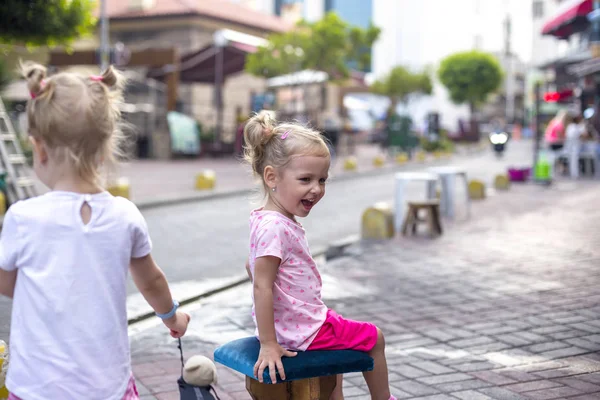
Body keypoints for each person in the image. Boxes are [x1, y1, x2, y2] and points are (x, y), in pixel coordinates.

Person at [0, 62, 190, 400]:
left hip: (36, 387)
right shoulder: (125, 215)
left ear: (38, 147)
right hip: (107, 386)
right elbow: (151, 280)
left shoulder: (22, 217)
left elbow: (6, 282)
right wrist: (172, 317)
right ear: (105, 148)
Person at [242, 111, 396, 400]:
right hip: (302, 331)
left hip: (295, 324)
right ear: (272, 176)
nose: (316, 189)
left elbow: (251, 267)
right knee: (375, 338)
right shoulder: (276, 226)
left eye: (322, 180)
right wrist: (268, 343)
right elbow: (261, 285)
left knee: (334, 361)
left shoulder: (266, 219)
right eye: (305, 179)